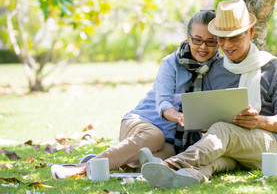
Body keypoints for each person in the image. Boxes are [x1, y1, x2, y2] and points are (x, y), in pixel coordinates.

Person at [140, 0, 277, 189]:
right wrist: (204, 124)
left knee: (223, 130)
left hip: (266, 148)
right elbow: (206, 119)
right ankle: (189, 176)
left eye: (235, 37)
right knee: (216, 161)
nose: (227, 45)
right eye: (221, 39)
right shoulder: (214, 70)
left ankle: (170, 165)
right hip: (229, 148)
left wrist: (258, 121)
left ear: (251, 33)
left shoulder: (272, 67)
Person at [51, 10, 221, 178]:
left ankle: (114, 160)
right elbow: (163, 103)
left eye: (210, 41)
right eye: (197, 40)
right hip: (140, 124)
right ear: (188, 37)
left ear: (218, 41)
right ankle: (82, 168)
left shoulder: (220, 69)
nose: (203, 47)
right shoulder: (171, 63)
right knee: (155, 136)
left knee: (162, 161)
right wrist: (179, 116)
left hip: (172, 142)